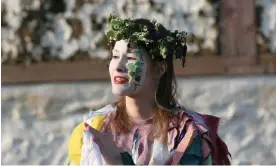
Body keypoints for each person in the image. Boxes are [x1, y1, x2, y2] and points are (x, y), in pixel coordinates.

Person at [67, 14, 231, 165]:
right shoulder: (93, 130)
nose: (118, 66)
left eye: (131, 58)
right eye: (115, 56)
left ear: (158, 69)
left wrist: (118, 162)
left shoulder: (188, 134)